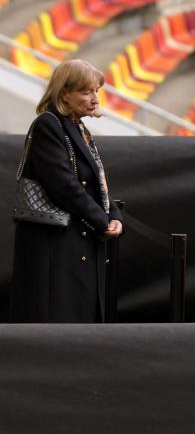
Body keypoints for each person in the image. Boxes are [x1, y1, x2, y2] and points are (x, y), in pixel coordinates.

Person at [10, 59, 123, 323]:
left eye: (97, 91)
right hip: (54, 244)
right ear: (64, 94)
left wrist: (115, 216)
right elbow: (64, 185)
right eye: (86, 92)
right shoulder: (48, 125)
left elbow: (97, 181)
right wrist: (101, 221)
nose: (95, 98)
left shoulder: (78, 127)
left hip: (73, 240)